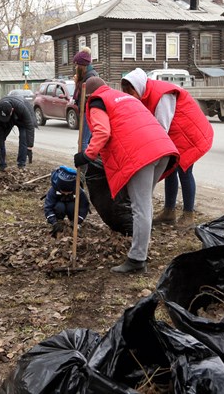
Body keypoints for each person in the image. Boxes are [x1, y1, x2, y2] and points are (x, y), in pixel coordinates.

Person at [73, 77, 179, 274]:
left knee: (140, 206)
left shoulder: (97, 102)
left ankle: (137, 259)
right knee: (142, 203)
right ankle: (141, 247)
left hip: (142, 154)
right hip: (162, 148)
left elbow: (102, 132)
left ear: (88, 95)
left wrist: (87, 155)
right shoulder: (122, 97)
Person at [121, 68, 214, 228]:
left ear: (137, 87)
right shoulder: (145, 93)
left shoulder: (161, 95)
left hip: (188, 134)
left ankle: (188, 215)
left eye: (131, 93)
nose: (130, 97)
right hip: (174, 134)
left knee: (185, 171)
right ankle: (169, 212)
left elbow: (161, 127)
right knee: (170, 170)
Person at [0, 95, 35, 171]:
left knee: (23, 138)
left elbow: (30, 127)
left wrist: (30, 147)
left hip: (22, 119)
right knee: (1, 138)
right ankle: (1, 164)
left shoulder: (22, 108)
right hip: (10, 119)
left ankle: (21, 164)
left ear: (12, 110)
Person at [44, 165, 90, 237]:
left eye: (68, 192)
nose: (65, 193)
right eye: (63, 191)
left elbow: (84, 206)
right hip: (59, 206)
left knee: (71, 207)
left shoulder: (78, 190)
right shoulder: (53, 190)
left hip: (72, 206)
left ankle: (73, 222)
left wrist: (78, 220)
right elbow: (48, 207)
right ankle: (59, 222)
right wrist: (54, 222)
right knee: (60, 206)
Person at [72, 47, 99, 150]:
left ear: (82, 66)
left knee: (83, 141)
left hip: (88, 112)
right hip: (86, 112)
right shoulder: (88, 75)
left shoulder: (90, 77)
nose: (75, 67)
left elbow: (87, 97)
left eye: (77, 65)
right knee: (86, 140)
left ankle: (83, 165)